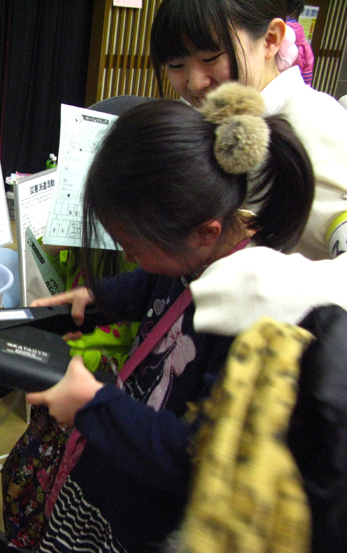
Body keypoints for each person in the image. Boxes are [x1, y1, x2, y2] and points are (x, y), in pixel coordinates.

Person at [27, 83, 314, 552]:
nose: (126, 253)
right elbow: (153, 285)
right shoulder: (193, 253)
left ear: (206, 234)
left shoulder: (253, 318)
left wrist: (92, 403)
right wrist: (95, 296)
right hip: (113, 478)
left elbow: (196, 457)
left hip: (150, 522)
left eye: (134, 246)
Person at [149, 0, 347, 336]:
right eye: (176, 65)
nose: (195, 82)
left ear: (271, 39)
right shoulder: (215, 117)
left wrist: (257, 285)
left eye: (211, 58)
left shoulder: (312, 125)